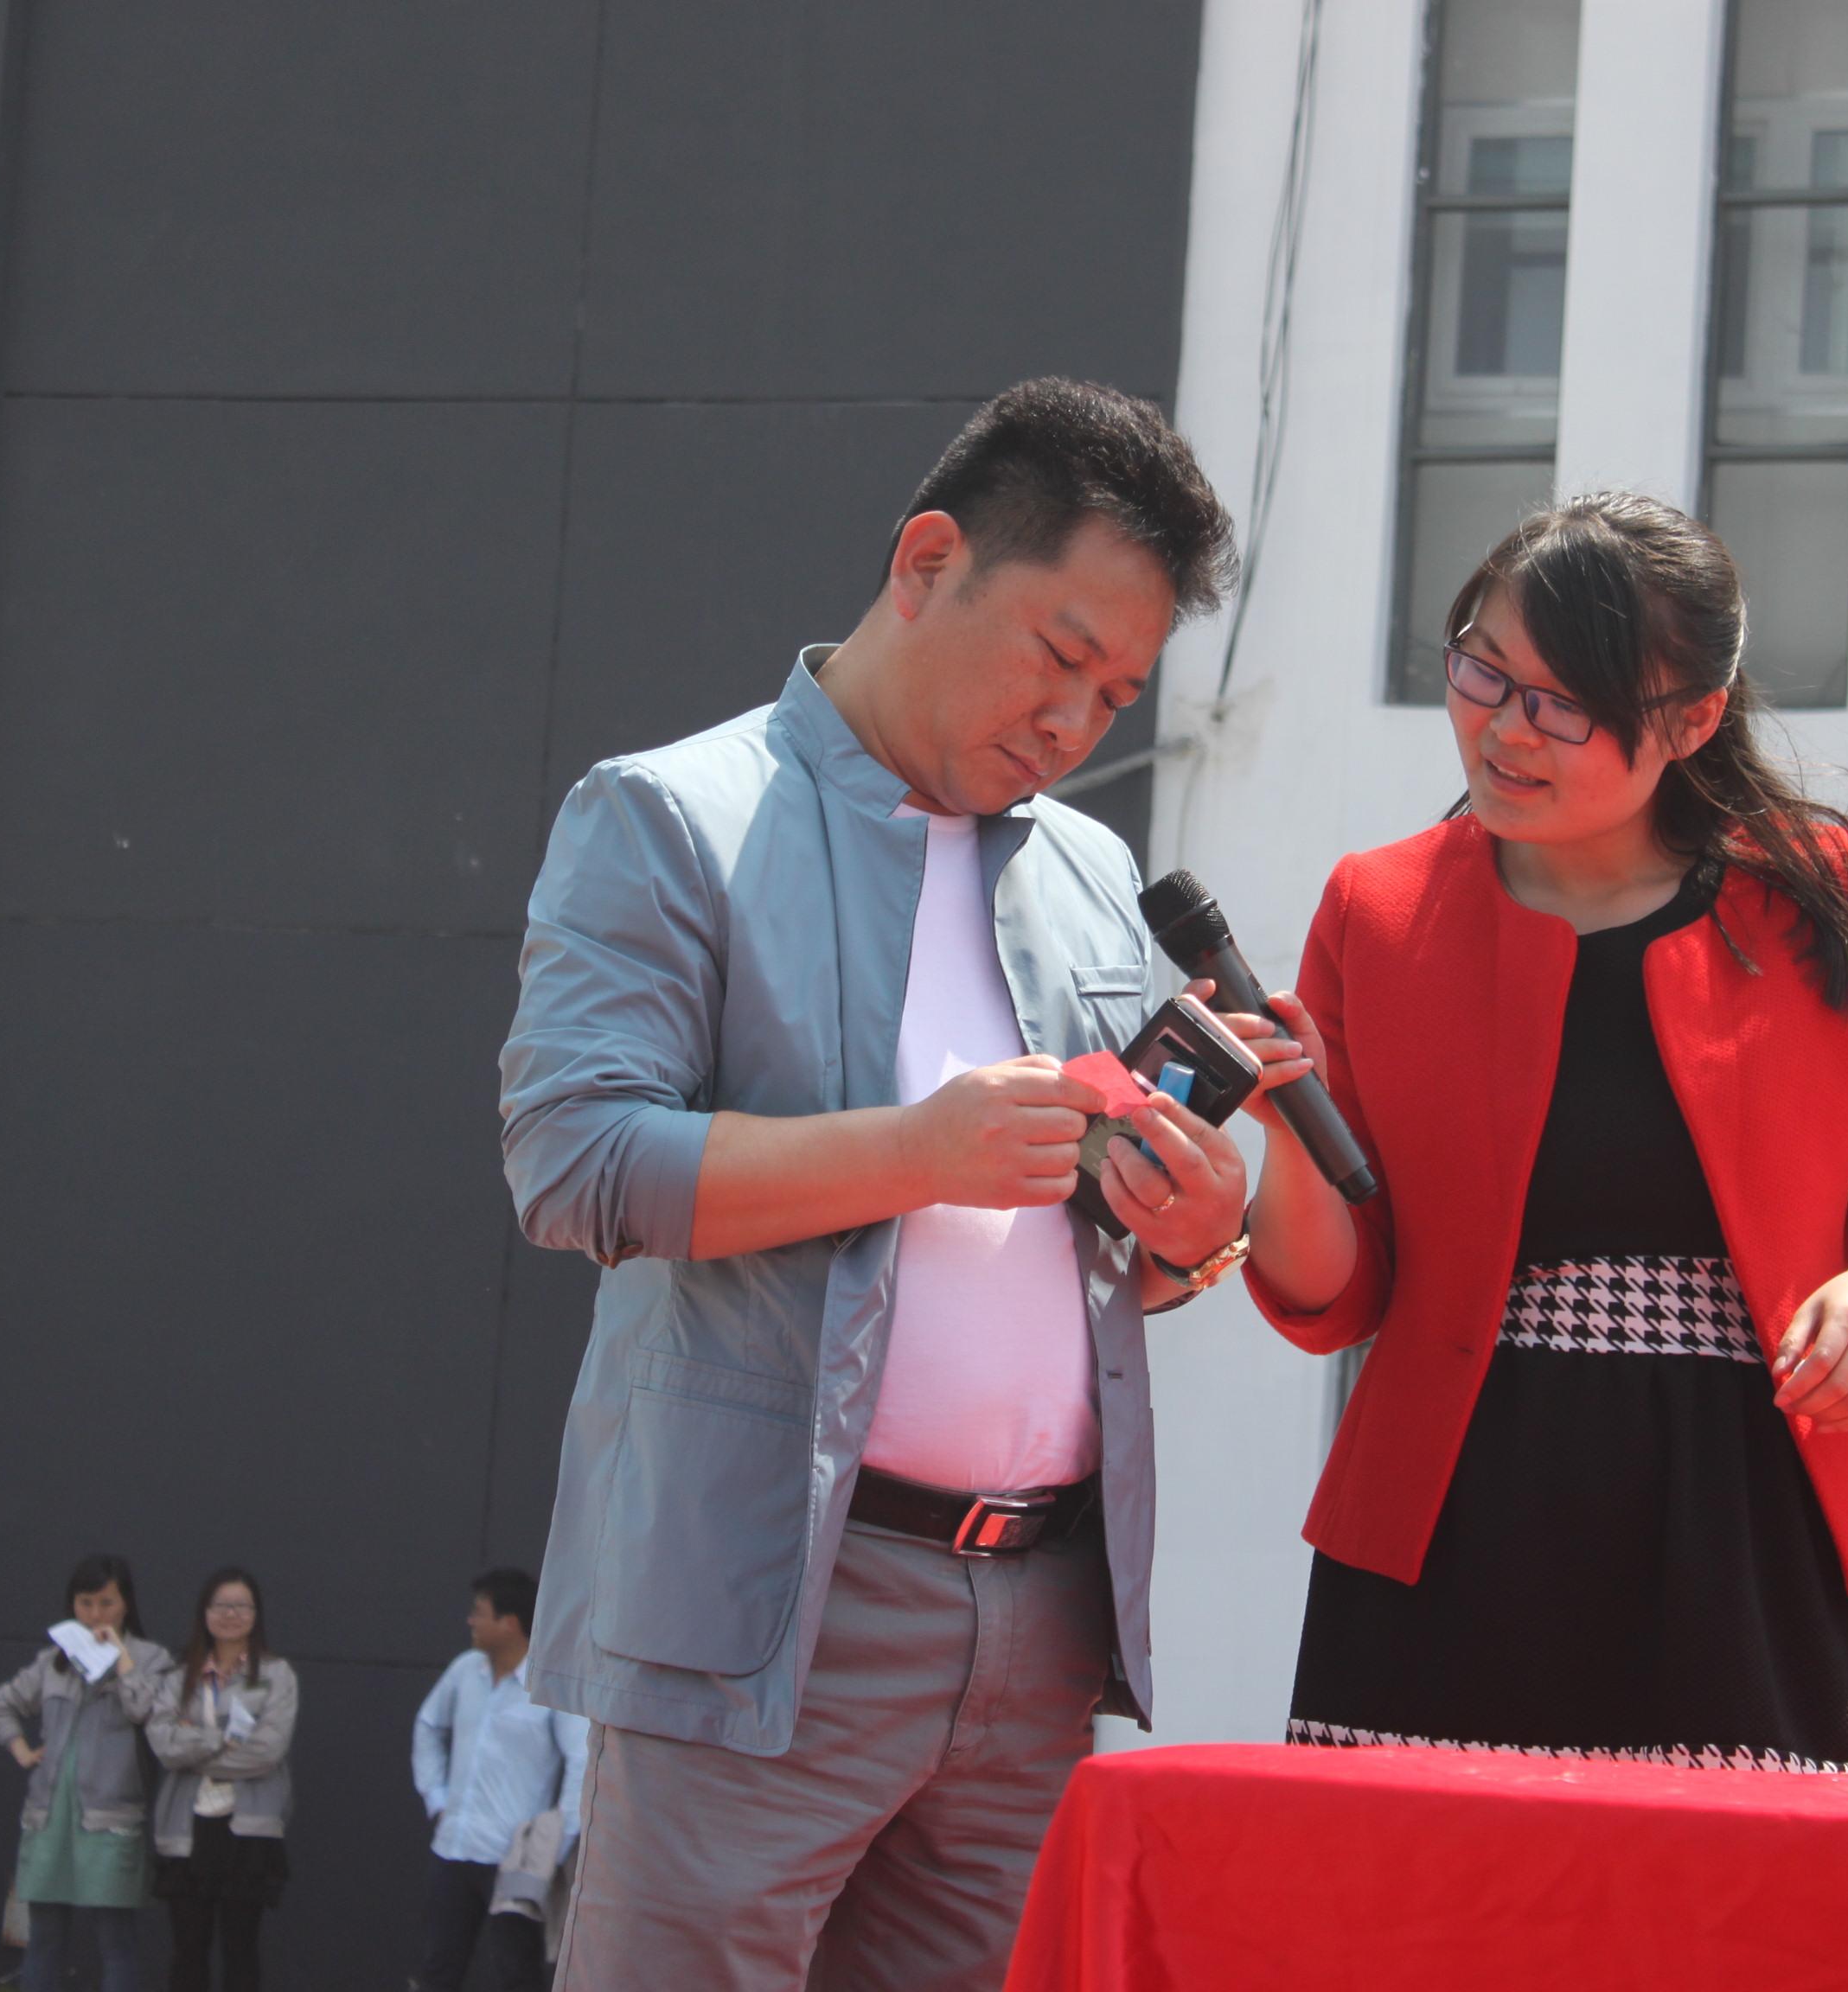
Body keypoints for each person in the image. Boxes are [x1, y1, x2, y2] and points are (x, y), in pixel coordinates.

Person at [498, 378, 1244, 1989]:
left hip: (1043, 1616)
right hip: (768, 1597)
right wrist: (916, 1151)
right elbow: (575, 1161)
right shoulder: (674, 815)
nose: (1074, 723)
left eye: (1117, 692)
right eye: (1058, 655)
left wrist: (1191, 1233)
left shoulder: (1091, 870)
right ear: (926, 562)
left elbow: (1091, 1247)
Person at [1225, 493, 1848, 1774]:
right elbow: (1340, 1292)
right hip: (1459, 1519)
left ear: (1694, 719)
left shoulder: (1836, 897)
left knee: (1748, 1891)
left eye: (1564, 703)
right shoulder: (1378, 910)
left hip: (1758, 1517)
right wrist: (1286, 1136)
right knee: (1428, 1885)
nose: (1503, 728)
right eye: (1483, 669)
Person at [0, 1553, 173, 1992]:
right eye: (85, 1603)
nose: (95, 1615)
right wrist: (20, 1748)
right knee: (44, 1938)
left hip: (111, 1820)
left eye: (107, 1603)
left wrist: (121, 1660)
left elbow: (147, 1712)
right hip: (49, 1817)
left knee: (116, 1940)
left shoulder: (152, 1659)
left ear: (126, 1604)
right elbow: (3, 1704)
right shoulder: (54, 1658)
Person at [409, 1570, 586, 1992]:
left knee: (515, 1973)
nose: (470, 1621)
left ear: (509, 1623)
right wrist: (437, 1799)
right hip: (452, 1850)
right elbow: (428, 1726)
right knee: (437, 1970)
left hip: (513, 1861)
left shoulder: (549, 1684)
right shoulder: (464, 1671)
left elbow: (581, 1761)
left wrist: (553, 1845)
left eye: (479, 1612)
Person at [147, 1568, 296, 1992]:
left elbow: (266, 1752)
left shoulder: (276, 1675)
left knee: (240, 1949)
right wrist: (218, 1741)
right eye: (222, 1605)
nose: (231, 1614)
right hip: (187, 1826)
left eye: (242, 1606)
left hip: (247, 1830)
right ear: (204, 1612)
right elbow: (164, 1745)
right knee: (188, 1949)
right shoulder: (179, 1677)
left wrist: (193, 1749)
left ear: (256, 1614)